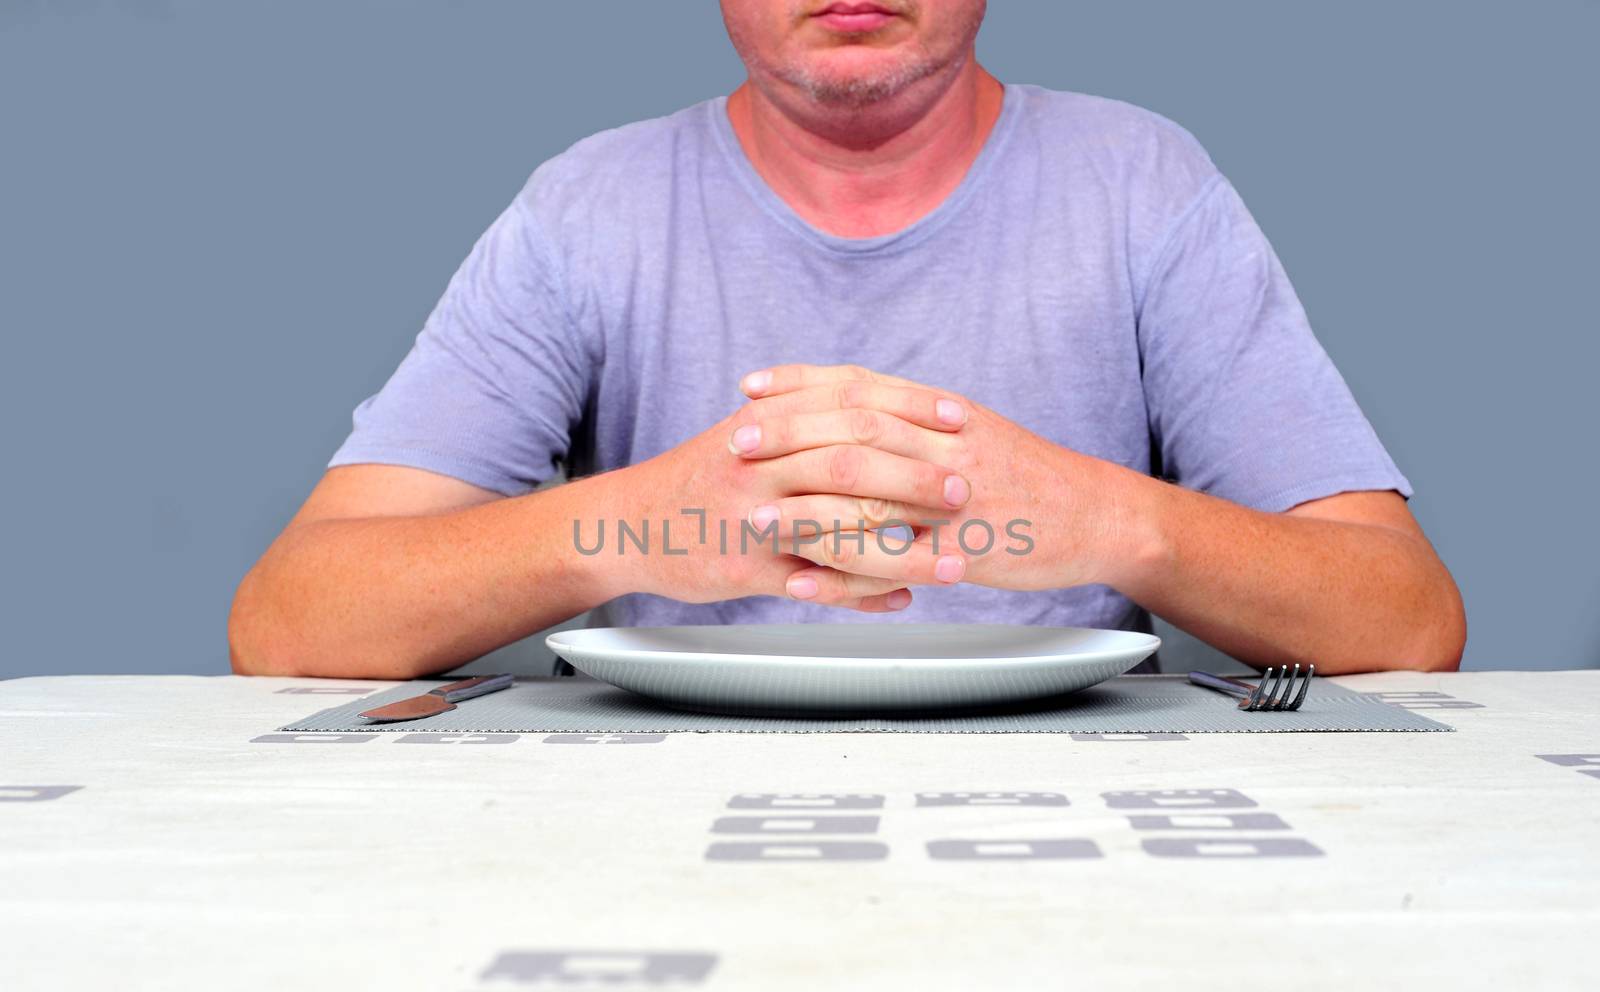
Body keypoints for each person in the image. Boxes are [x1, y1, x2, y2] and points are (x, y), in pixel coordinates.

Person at [229, 0, 1466, 679]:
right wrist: (640, 525)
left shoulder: (1142, 183)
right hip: (636, 816)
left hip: (1082, 813)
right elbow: (291, 625)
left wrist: (1111, 522)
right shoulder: (587, 206)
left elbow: (1405, 621)